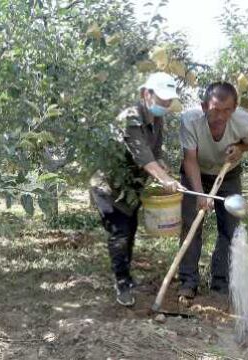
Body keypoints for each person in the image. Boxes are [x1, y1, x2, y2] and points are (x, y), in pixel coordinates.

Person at [90, 72, 186, 307]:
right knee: (120, 234)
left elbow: (154, 152)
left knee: (130, 231)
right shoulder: (130, 118)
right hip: (109, 187)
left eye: (167, 102)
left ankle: (127, 277)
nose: (165, 105)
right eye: (161, 100)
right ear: (146, 94)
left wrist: (162, 164)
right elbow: (142, 156)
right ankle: (122, 283)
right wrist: (163, 178)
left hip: (131, 189)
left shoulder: (156, 119)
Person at [177, 81, 248, 300]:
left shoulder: (245, 121)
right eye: (215, 110)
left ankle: (220, 284)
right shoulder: (189, 120)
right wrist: (200, 195)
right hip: (196, 173)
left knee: (229, 228)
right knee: (191, 225)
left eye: (227, 110)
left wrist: (240, 149)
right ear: (204, 106)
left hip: (228, 175)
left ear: (235, 107)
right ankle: (187, 281)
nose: (221, 116)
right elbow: (190, 160)